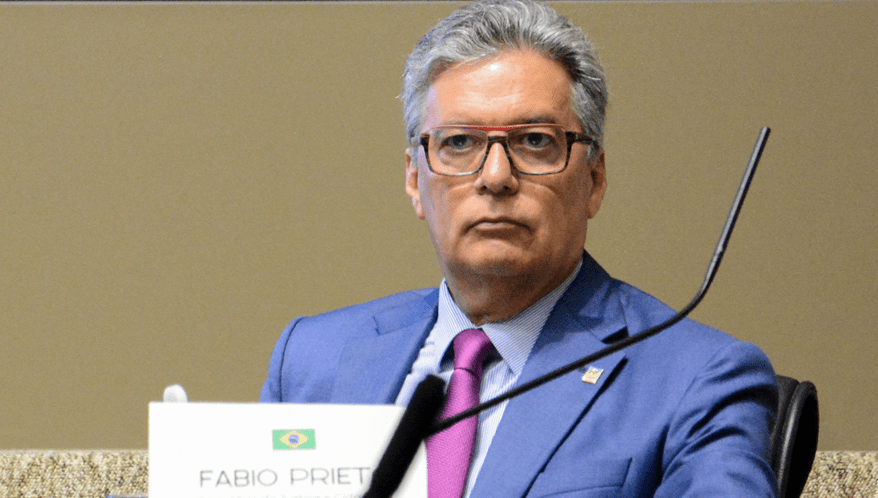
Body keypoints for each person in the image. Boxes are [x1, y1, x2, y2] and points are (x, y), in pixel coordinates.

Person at [261, 1, 778, 496]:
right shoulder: (311, 361)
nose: (495, 176)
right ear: (415, 180)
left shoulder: (696, 377)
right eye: (459, 142)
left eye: (534, 141)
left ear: (594, 180)